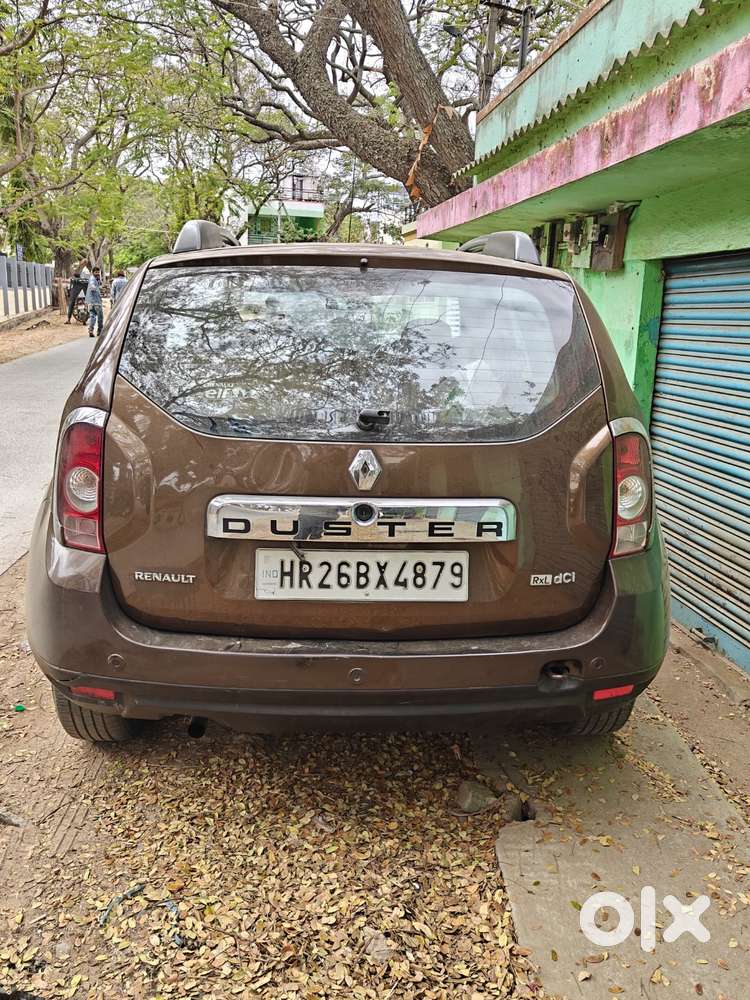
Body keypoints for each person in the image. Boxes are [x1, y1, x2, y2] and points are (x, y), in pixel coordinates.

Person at [65, 260, 91, 324]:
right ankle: (69, 319)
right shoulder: (79, 269)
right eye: (82, 262)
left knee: (72, 302)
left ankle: (69, 319)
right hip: (79, 287)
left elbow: (74, 278)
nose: (82, 263)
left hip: (78, 287)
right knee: (72, 302)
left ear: (85, 263)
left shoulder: (85, 270)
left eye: (84, 262)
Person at [86, 266, 104, 337]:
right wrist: (95, 288)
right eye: (95, 272)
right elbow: (92, 286)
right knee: (100, 317)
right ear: (92, 272)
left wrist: (99, 280)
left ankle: (91, 330)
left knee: (92, 316)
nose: (97, 273)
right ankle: (99, 331)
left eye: (98, 272)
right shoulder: (92, 279)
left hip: (91, 301)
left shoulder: (96, 279)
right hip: (96, 302)